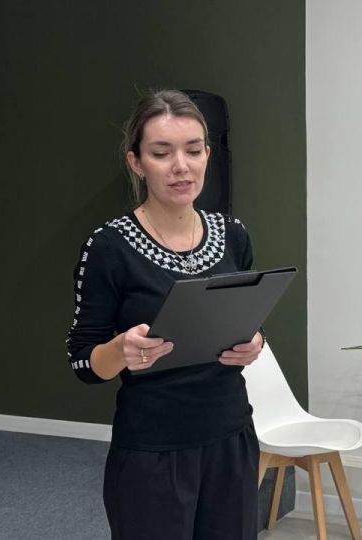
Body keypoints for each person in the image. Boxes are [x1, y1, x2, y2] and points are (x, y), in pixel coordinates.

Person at [66, 89, 264, 540]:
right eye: (161, 153)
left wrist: (256, 343)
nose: (181, 166)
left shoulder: (233, 234)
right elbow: (81, 361)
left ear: (208, 155)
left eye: (193, 150)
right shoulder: (108, 247)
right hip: (152, 451)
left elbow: (248, 320)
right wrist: (120, 349)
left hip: (231, 437)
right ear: (137, 162)